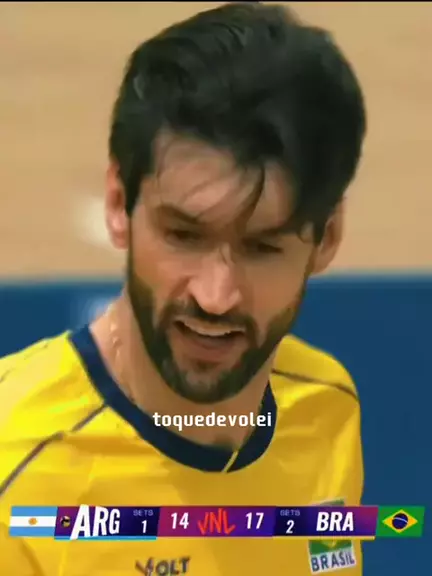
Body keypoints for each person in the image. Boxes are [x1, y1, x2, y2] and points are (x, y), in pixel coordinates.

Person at [0, 3, 366, 575]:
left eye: (262, 247)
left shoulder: (328, 410)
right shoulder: (14, 462)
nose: (215, 296)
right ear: (119, 204)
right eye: (183, 235)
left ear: (328, 237)